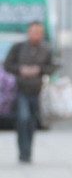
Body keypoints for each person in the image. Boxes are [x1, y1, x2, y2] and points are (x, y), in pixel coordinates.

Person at [4, 21, 54, 163]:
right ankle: (23, 152)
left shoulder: (45, 49)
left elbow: (50, 67)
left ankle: (28, 151)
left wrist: (39, 70)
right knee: (23, 118)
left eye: (39, 33)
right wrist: (21, 69)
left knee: (32, 122)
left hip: (37, 90)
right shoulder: (18, 47)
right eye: (34, 32)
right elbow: (8, 65)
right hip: (20, 89)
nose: (36, 35)